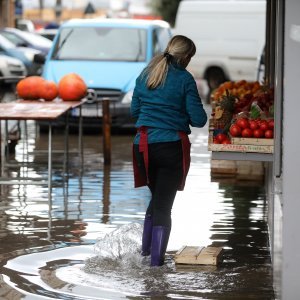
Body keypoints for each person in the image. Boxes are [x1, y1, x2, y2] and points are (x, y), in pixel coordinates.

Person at [131, 35, 207, 266]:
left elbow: (135, 112)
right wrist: (178, 115)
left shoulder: (146, 74)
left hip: (142, 147)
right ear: (185, 57)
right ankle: (155, 266)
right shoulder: (184, 79)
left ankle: (145, 256)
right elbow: (199, 119)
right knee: (164, 206)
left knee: (157, 201)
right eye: (190, 57)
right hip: (170, 147)